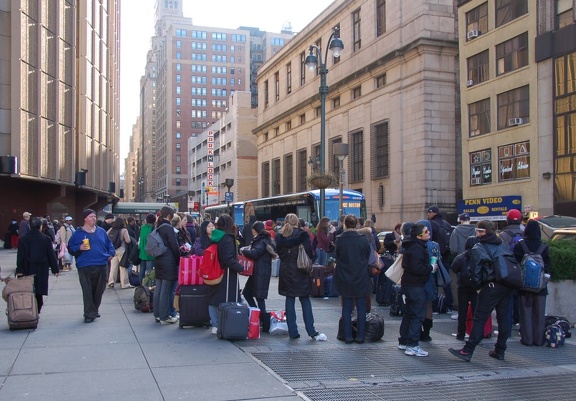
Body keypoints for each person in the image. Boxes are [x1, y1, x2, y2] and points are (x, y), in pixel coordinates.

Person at [449, 220, 515, 362]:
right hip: (507, 285)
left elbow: (476, 272)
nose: (476, 233)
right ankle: (500, 350)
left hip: (491, 286)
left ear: (483, 232)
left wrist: (478, 287)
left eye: (478, 230)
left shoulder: (479, 247)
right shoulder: (502, 244)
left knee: (479, 318)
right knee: (503, 318)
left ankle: (468, 350)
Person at [276, 213, 327, 341]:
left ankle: (293, 332)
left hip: (286, 271)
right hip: (300, 270)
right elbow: (309, 252)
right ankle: (311, 330)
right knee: (304, 299)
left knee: (289, 299)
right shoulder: (302, 235)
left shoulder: (279, 236)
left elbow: (278, 252)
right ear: (297, 222)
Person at [68, 209, 116, 323]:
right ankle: (89, 314)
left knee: (99, 289)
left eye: (95, 216)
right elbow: (70, 248)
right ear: (85, 218)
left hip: (101, 264)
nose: (93, 218)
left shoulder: (101, 232)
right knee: (87, 290)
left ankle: (94, 309)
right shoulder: (78, 234)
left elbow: (109, 244)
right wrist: (79, 248)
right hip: (85, 265)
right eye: (91, 216)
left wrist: (111, 254)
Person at [398, 223, 436, 357]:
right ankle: (412, 345)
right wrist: (430, 268)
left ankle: (404, 341)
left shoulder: (411, 246)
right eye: (426, 232)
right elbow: (417, 268)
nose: (429, 234)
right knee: (416, 315)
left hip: (409, 284)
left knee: (409, 313)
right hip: (415, 285)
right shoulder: (417, 249)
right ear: (419, 236)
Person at [334, 214, 372, 344]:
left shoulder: (340, 239)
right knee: (361, 306)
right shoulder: (362, 239)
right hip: (361, 275)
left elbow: (337, 256)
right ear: (356, 224)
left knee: (347, 306)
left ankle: (348, 336)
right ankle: (361, 336)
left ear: (344, 224)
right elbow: (368, 254)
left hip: (345, 275)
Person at [513, 219, 551, 346]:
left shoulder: (520, 245)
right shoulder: (544, 246)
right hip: (540, 288)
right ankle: (538, 340)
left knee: (525, 313)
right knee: (539, 315)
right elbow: (548, 267)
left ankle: (527, 339)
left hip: (524, 286)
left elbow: (515, 264)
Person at [207, 214, 245, 334]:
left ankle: (215, 324)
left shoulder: (215, 236)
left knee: (214, 298)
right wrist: (239, 267)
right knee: (229, 298)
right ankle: (226, 323)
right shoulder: (228, 238)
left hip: (215, 270)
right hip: (227, 273)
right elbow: (228, 258)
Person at [16, 217, 59, 313]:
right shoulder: (46, 239)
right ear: (40, 226)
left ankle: (30, 310)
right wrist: (55, 269)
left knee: (29, 290)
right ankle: (37, 310)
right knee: (39, 290)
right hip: (42, 269)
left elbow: (20, 256)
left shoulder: (23, 239)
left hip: (28, 268)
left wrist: (19, 270)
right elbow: (51, 255)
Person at [240, 221, 275, 332]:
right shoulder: (265, 239)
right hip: (259, 272)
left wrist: (244, 251)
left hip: (259, 272)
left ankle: (262, 321)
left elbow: (255, 253)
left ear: (255, 230)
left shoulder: (261, 240)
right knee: (250, 294)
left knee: (258, 297)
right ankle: (259, 317)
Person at [152, 206, 180, 325]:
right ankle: (164, 316)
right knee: (166, 290)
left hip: (159, 260)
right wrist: (179, 259)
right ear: (169, 215)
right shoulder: (168, 228)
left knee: (159, 288)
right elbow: (174, 245)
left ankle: (158, 314)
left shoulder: (158, 226)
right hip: (169, 261)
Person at [416, 219, 441, 342]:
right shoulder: (435, 246)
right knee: (428, 306)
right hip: (430, 279)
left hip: (416, 280)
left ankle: (417, 330)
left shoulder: (414, 245)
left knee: (416, 305)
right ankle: (426, 333)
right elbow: (437, 263)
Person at [450, 236, 478, 341]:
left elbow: (454, 268)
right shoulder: (480, 256)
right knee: (476, 311)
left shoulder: (461, 257)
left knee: (462, 311)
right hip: (476, 286)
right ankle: (475, 334)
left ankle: (460, 333)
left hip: (463, 285)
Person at [427, 205, 454, 312]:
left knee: (433, 281)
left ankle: (434, 305)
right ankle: (449, 304)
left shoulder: (431, 224)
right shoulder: (446, 224)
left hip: (434, 257)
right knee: (445, 280)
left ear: (434, 213)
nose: (428, 214)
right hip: (446, 256)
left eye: (429, 212)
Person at [106, 217, 132, 289]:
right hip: (121, 249)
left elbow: (105, 236)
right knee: (123, 267)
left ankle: (111, 282)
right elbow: (128, 240)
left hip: (113, 250)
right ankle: (124, 284)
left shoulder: (111, 229)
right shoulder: (124, 230)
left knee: (113, 267)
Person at [138, 213, 156, 285]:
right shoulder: (153, 229)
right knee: (149, 272)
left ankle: (140, 285)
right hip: (150, 254)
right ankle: (147, 286)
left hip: (142, 252)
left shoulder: (142, 227)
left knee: (142, 270)